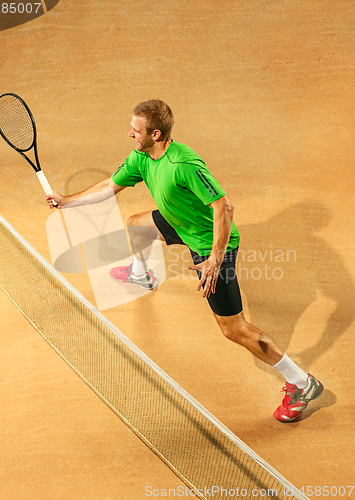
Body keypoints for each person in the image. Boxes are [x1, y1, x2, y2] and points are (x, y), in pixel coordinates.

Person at [46, 99, 324, 422]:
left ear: (156, 133)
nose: (129, 135)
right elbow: (110, 186)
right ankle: (142, 274)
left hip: (211, 245)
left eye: (136, 131)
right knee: (137, 224)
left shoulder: (184, 165)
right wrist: (67, 202)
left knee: (234, 329)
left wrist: (215, 259)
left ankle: (302, 383)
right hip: (180, 221)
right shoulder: (142, 157)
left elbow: (225, 207)